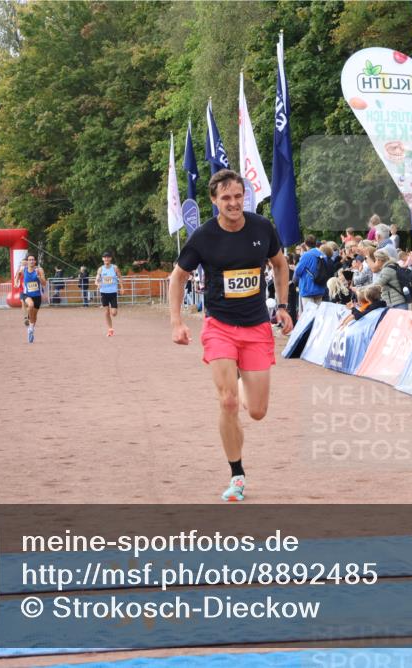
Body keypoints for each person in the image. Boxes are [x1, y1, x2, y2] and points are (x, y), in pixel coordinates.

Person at [168, 169, 293, 503]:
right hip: (220, 326)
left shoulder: (262, 228)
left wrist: (283, 305)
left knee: (256, 411)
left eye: (238, 196)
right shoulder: (203, 237)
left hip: (256, 328)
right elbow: (177, 278)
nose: (233, 203)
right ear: (214, 201)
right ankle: (237, 475)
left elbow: (280, 265)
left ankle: (241, 382)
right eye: (226, 198)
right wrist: (176, 321)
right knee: (227, 402)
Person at [15, 253, 47, 343]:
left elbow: (44, 283)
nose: (31, 261)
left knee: (35, 317)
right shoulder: (23, 269)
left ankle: (31, 329)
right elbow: (17, 275)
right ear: (27, 261)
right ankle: (28, 318)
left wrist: (39, 278)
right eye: (30, 260)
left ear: (35, 261)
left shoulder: (39, 270)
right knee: (30, 305)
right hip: (27, 294)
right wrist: (16, 282)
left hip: (37, 295)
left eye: (33, 260)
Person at [294, 237, 329, 312]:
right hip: (320, 287)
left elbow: (298, 271)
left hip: (307, 288)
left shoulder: (306, 255)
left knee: (309, 315)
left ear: (305, 244)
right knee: (318, 314)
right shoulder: (323, 255)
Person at [95, 251, 123, 336]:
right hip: (104, 293)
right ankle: (110, 329)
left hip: (113, 292)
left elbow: (120, 277)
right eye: (105, 257)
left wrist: (122, 287)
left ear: (110, 258)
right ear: (103, 259)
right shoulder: (100, 269)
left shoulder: (115, 268)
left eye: (108, 257)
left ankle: (112, 310)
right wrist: (98, 284)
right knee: (106, 312)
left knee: (113, 313)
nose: (106, 259)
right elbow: (96, 280)